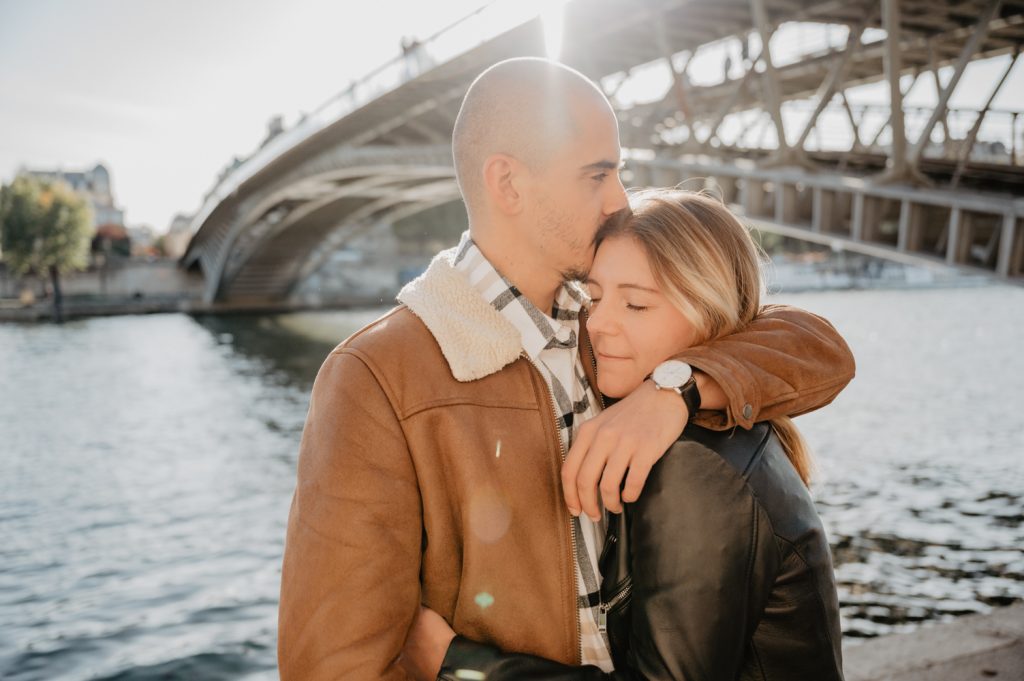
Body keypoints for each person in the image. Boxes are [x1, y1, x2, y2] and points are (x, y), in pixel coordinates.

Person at [277, 58, 854, 680]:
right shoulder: (376, 377)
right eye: (598, 174)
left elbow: (817, 346)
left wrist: (677, 390)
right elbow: (335, 664)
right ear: (509, 184)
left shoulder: (610, 322)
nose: (619, 200)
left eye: (619, 172)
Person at [403, 189, 846, 680]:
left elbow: (824, 346)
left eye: (636, 304)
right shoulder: (705, 425)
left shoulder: (694, 466)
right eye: (593, 297)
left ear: (712, 313)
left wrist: (455, 663)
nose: (599, 323)